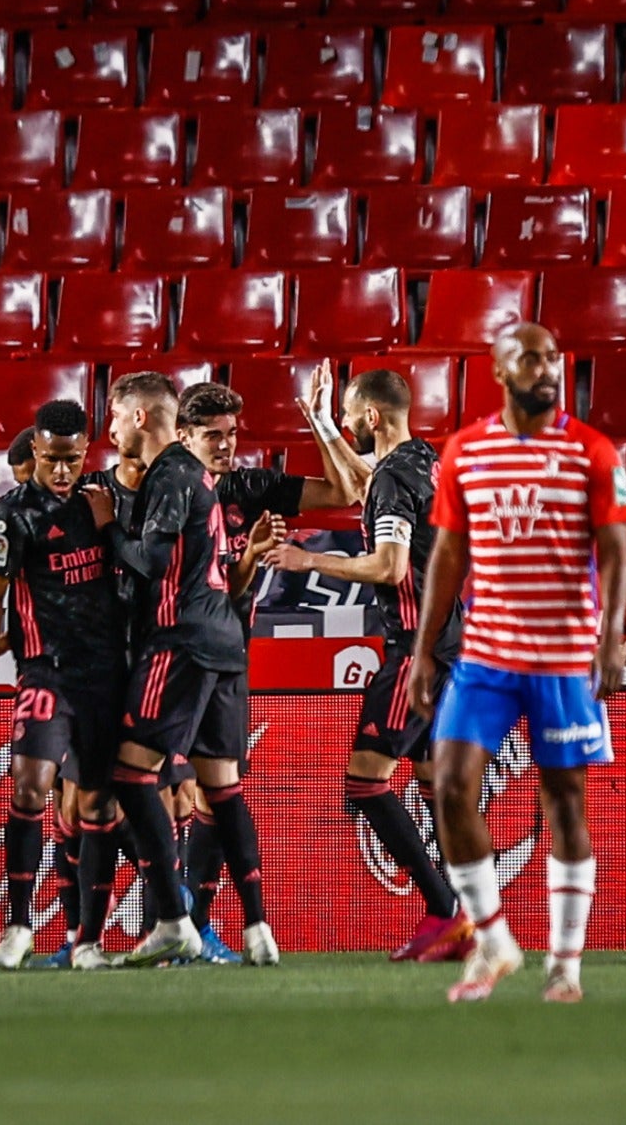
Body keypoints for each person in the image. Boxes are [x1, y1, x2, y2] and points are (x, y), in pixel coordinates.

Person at [409, 322, 626, 1004]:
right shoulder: (466, 451)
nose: (546, 369)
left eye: (553, 358)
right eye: (531, 359)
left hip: (564, 655)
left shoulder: (591, 451)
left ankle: (565, 964)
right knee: (449, 784)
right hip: (485, 654)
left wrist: (610, 635)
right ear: (500, 371)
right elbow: (449, 553)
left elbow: (618, 549)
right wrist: (425, 648)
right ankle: (495, 940)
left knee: (564, 800)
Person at [265, 367, 474, 962]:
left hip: (415, 650)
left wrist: (306, 562)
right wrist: (323, 421)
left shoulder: (393, 477)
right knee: (435, 788)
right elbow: (365, 484)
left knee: (365, 780)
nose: (354, 428)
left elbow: (388, 567)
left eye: (356, 418)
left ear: (373, 418)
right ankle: (465, 916)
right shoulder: (422, 461)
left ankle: (444, 912)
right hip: (452, 644)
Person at [80, 372, 278, 967]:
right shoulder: (201, 480)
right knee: (223, 787)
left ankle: (172, 918)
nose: (109, 429)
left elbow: (148, 563)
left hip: (182, 639)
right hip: (224, 640)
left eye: (114, 416)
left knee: (130, 774)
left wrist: (108, 524)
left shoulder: (171, 472)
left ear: (139, 416)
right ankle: (258, 929)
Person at [174, 373, 362, 962]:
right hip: (168, 660)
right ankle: (99, 930)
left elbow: (344, 491)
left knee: (213, 795)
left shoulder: (248, 487)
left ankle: (193, 927)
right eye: (212, 435)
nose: (226, 445)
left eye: (231, 434)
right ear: (182, 437)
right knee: (150, 794)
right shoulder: (168, 493)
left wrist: (320, 420)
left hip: (225, 662)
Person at [0, 400, 128, 972]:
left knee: (96, 804)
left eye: (72, 459)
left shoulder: (101, 504)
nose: (63, 470)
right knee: (29, 787)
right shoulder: (10, 518)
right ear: (34, 450)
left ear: (86, 452)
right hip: (46, 671)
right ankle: (17, 926)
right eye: (52, 459)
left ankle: (85, 938)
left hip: (104, 675)